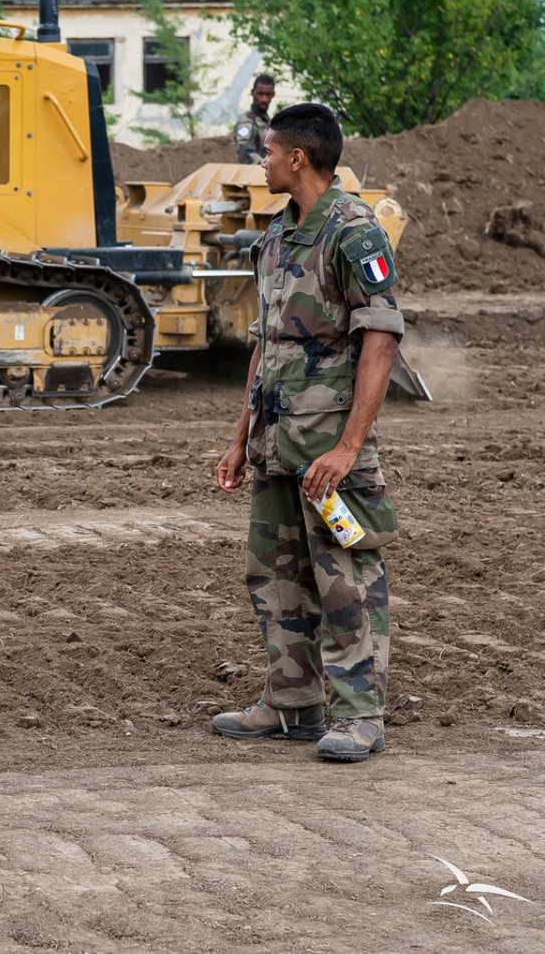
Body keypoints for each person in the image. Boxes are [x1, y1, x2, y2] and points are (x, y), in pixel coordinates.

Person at [213, 102, 402, 763]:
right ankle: (292, 702)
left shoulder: (354, 232)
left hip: (328, 448)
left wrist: (349, 448)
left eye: (266, 153)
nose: (259, 163)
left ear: (297, 158)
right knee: (274, 574)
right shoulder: (277, 234)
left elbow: (381, 339)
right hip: (275, 443)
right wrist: (240, 437)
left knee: (345, 576)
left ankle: (360, 716)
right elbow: (265, 343)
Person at [232, 74, 276, 164]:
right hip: (254, 171)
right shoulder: (246, 123)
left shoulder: (267, 123)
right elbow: (244, 152)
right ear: (253, 93)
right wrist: (266, 165)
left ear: (273, 95)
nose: (264, 99)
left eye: (267, 94)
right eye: (260, 94)